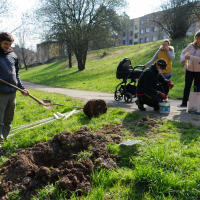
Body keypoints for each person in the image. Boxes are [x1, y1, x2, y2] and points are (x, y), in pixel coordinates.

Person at [0, 32, 29, 147]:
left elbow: (16, 75)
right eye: (5, 44)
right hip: (1, 94)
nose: (8, 46)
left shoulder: (13, 56)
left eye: (10, 44)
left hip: (13, 93)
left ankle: (4, 139)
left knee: (8, 119)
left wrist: (22, 88)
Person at [178, 31, 200, 108]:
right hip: (189, 69)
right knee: (187, 86)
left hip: (199, 71)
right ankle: (184, 103)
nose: (198, 40)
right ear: (195, 38)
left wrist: (191, 57)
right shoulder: (191, 46)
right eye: (197, 38)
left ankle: (194, 106)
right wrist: (182, 59)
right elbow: (183, 53)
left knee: (197, 88)